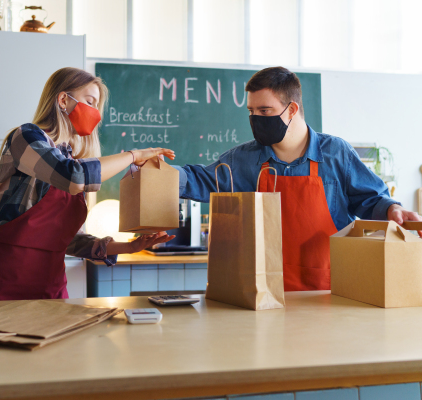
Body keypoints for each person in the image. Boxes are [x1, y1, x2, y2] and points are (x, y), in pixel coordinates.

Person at [175, 66, 422, 291]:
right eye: (251, 111)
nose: (255, 118)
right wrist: (153, 172)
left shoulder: (336, 153)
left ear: (292, 109)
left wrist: (393, 209)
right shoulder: (242, 160)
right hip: (264, 292)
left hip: (331, 290)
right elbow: (198, 179)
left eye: (264, 110)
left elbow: (371, 199)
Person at [0, 67, 175, 301]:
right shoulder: (26, 138)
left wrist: (130, 247)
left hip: (50, 285)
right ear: (64, 99)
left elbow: (69, 240)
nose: (95, 113)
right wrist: (133, 156)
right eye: (90, 101)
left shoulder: (70, 159)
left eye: (97, 106)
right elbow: (74, 177)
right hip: (6, 280)